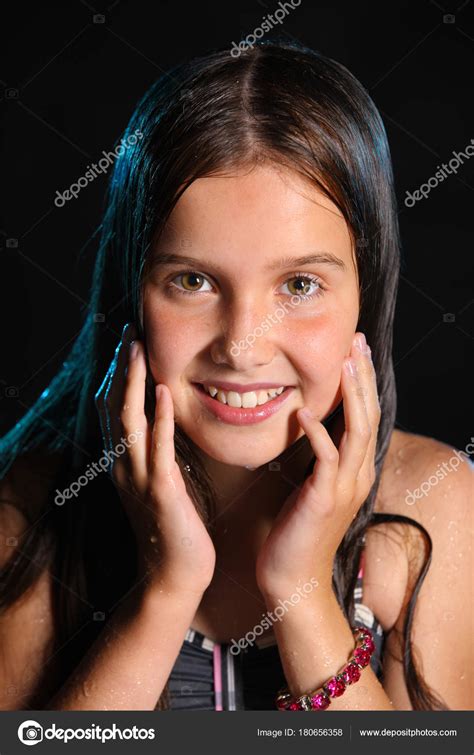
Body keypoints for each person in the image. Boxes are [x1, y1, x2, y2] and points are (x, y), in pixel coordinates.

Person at [0, 41, 472, 712]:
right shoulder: (28, 514)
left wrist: (302, 589)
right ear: (132, 291)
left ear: (365, 295)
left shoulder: (434, 509)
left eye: (300, 283)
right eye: (191, 280)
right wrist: (167, 588)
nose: (243, 346)